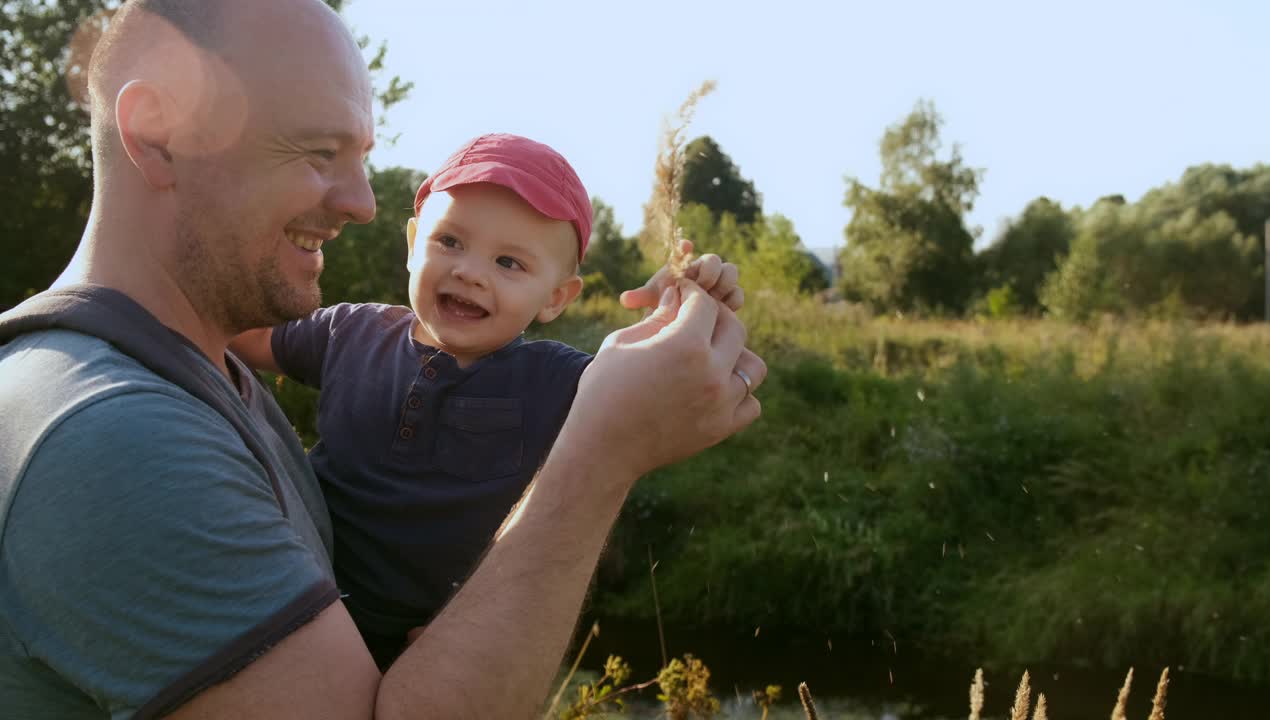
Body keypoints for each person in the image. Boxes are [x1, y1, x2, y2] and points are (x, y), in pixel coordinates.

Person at [0, 1, 766, 718]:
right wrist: (599, 459)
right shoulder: (115, 440)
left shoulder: (185, 372)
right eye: (318, 151)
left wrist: (677, 323)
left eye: (360, 156)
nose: (363, 202)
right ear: (158, 134)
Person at [229, 132, 746, 667]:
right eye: (449, 241)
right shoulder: (351, 333)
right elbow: (235, 334)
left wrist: (686, 305)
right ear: (413, 245)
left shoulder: (558, 381)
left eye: (509, 263)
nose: (469, 272)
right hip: (301, 622)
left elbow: (664, 392)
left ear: (556, 297)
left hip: (434, 650)